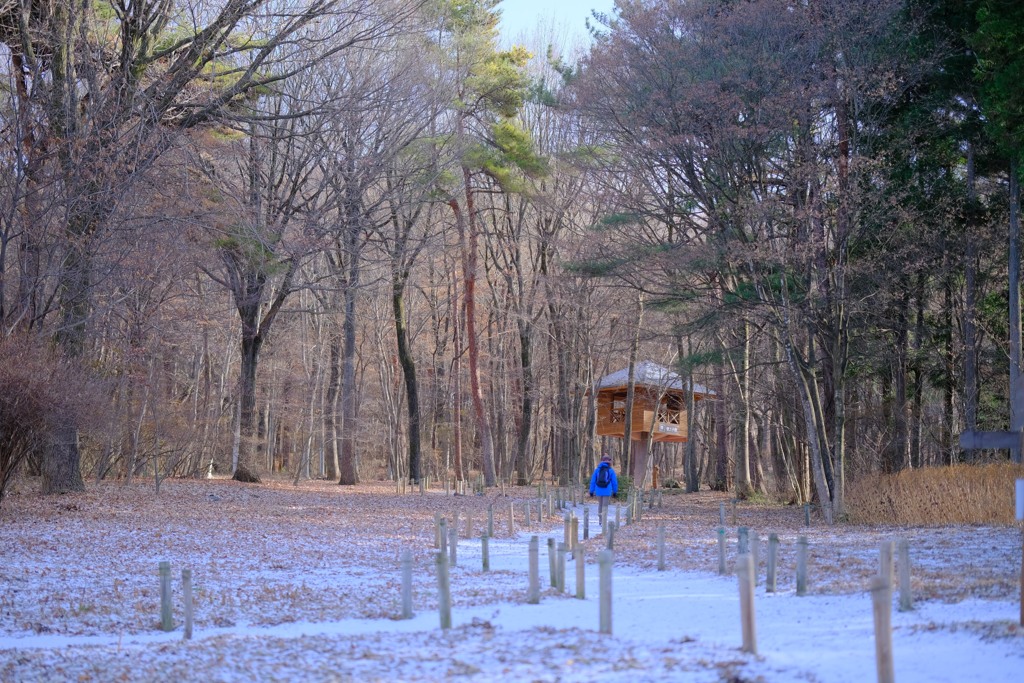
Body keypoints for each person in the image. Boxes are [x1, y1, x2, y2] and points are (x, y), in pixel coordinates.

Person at [588, 454, 619, 521]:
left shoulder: (597, 470)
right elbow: (614, 482)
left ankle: (600, 520)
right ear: (609, 462)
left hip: (598, 490)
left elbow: (593, 481)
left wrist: (591, 491)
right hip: (607, 490)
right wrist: (615, 491)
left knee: (600, 505)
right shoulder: (611, 470)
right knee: (605, 505)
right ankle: (604, 520)